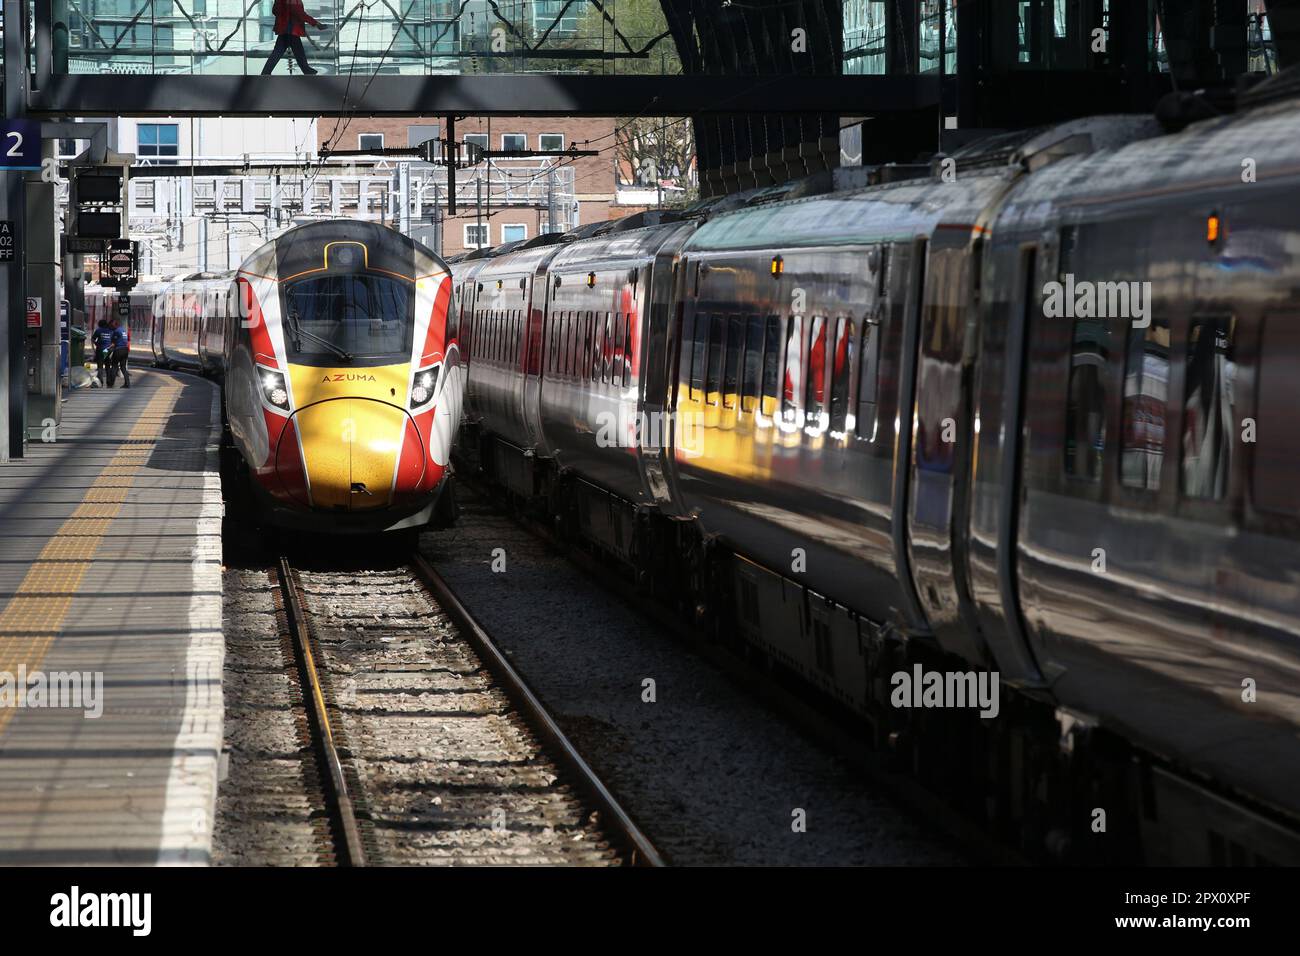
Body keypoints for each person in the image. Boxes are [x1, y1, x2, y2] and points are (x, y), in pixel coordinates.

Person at [261, 0, 326, 75]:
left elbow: (275, 11)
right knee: (296, 51)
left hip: (284, 28)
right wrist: (316, 23)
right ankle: (306, 70)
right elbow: (300, 13)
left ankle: (266, 72)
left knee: (282, 52)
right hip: (292, 29)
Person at [108, 318, 131, 389]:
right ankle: (127, 384)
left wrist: (107, 349)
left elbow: (113, 343)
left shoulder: (116, 331)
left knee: (114, 366)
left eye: (111, 326)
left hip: (119, 350)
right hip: (125, 350)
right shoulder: (123, 330)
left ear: (114, 325)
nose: (110, 327)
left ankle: (111, 384)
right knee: (123, 367)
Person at [91, 319, 113, 388]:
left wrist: (96, 344)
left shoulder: (98, 330)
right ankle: (109, 382)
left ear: (100, 324)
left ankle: (100, 382)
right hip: (108, 350)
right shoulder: (111, 331)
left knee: (100, 366)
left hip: (100, 350)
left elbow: (92, 339)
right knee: (108, 366)